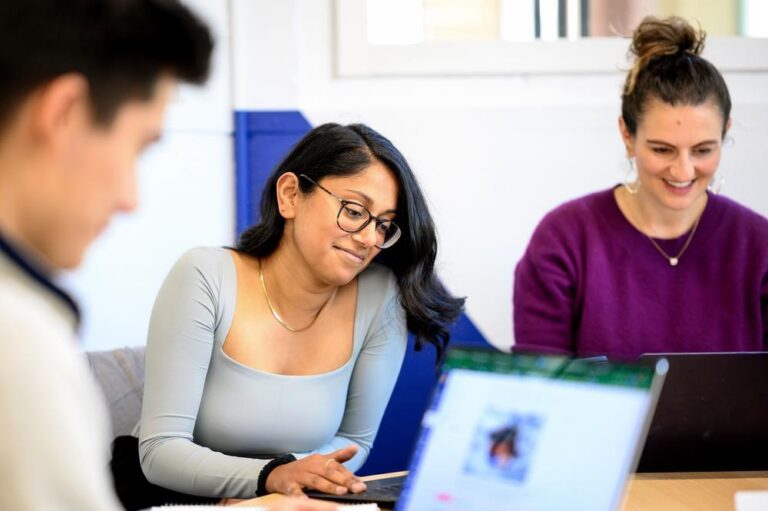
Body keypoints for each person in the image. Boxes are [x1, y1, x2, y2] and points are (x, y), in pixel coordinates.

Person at [121, 122, 464, 507]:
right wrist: (268, 479)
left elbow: (355, 440)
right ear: (290, 196)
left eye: (384, 224)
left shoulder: (381, 297)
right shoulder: (204, 275)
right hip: (170, 498)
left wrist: (286, 484)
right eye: (354, 211)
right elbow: (160, 451)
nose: (371, 239)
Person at [513, 16, 768, 361]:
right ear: (627, 135)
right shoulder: (564, 239)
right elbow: (538, 388)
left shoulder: (758, 245)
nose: (683, 170)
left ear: (725, 132)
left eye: (703, 150)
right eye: (662, 149)